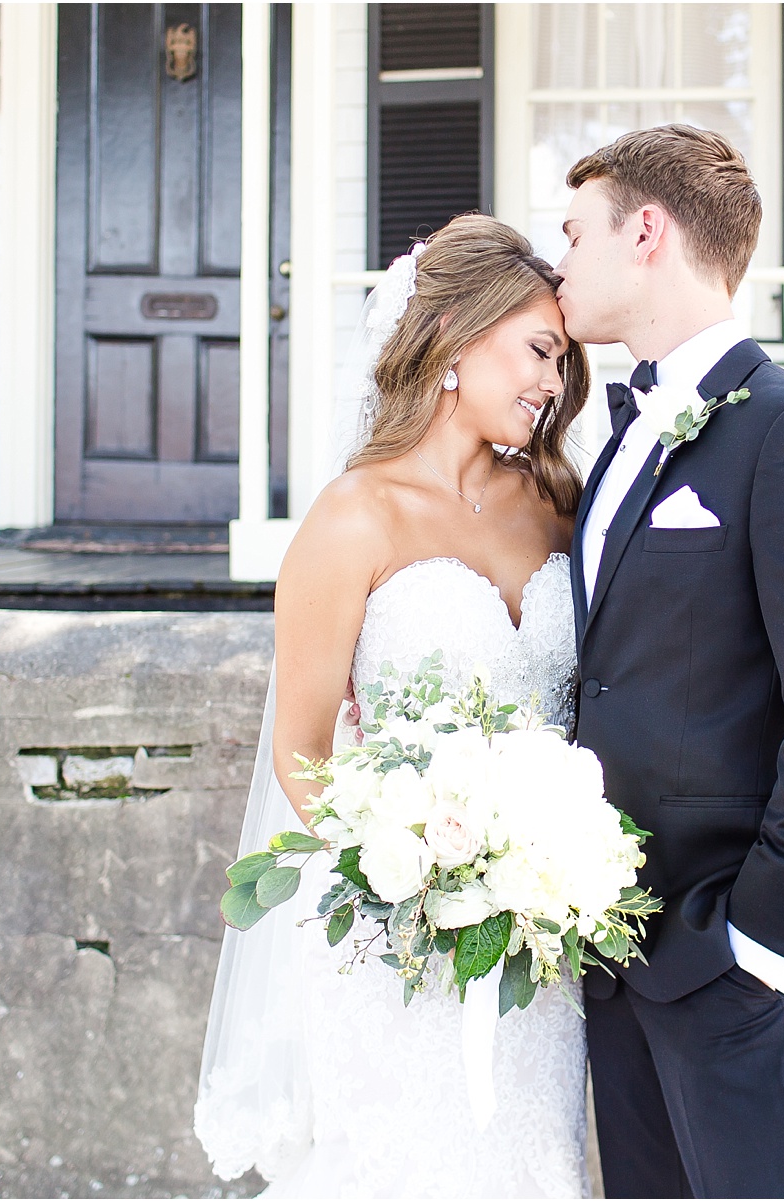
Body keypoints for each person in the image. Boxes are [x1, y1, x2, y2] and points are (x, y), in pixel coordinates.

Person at [195, 214, 595, 1197]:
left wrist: (537, 870)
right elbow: (302, 750)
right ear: (457, 335)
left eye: (562, 361)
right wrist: (411, 874)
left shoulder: (557, 505)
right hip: (398, 946)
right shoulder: (351, 518)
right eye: (540, 350)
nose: (552, 382)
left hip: (541, 942)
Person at [556, 124, 784, 1198]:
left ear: (648, 232)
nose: (558, 261)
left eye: (576, 235)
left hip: (738, 966)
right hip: (618, 961)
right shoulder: (618, 441)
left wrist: (758, 943)